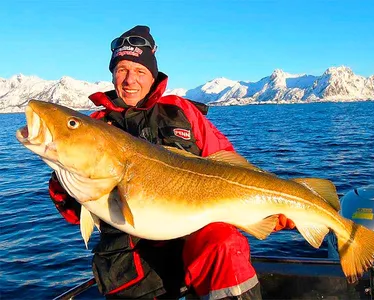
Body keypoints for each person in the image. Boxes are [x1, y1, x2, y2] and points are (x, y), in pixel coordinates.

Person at [49, 25, 296, 299]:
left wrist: (274, 206)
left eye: (140, 71)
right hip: (132, 265)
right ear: (112, 75)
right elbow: (72, 214)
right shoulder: (95, 127)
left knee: (224, 242)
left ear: (152, 76)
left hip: (197, 246)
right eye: (122, 70)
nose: (130, 80)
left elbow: (232, 168)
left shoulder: (182, 112)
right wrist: (63, 173)